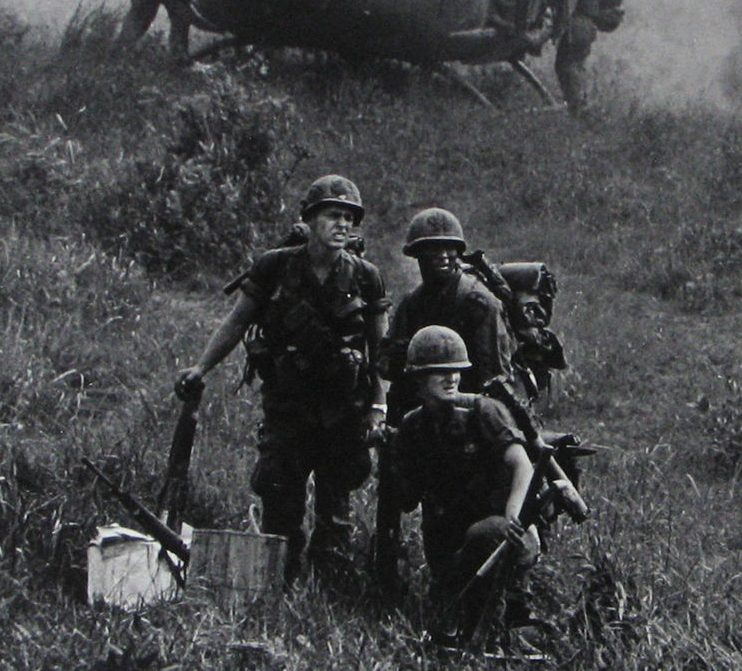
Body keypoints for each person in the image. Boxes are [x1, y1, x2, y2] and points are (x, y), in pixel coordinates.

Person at [173, 175, 391, 585]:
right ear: (309, 220)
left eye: (349, 218)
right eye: (332, 215)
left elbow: (382, 351)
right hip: (288, 407)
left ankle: (329, 590)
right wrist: (201, 367)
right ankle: (278, 584)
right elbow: (237, 320)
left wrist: (379, 408)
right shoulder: (275, 266)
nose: (342, 225)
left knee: (336, 509)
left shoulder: (365, 276)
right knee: (278, 499)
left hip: (343, 410)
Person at [373, 207, 525, 595]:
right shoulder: (412, 306)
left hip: (475, 423)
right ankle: (387, 572)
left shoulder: (479, 303)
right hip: (427, 419)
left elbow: (495, 379)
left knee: (484, 523)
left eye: (449, 249)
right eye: (431, 250)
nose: (442, 256)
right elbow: (392, 366)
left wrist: (467, 408)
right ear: (417, 257)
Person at [388, 325, 539, 648]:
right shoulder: (413, 427)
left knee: (485, 535)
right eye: (438, 372)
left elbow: (522, 463)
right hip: (448, 540)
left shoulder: (483, 411)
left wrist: (514, 512)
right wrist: (391, 459)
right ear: (418, 380)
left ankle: (515, 607)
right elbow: (406, 499)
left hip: (502, 532)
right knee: (448, 604)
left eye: (455, 371)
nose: (450, 378)